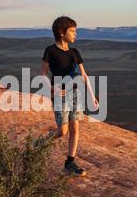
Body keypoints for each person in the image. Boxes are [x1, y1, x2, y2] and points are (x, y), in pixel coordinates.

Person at [40, 16, 99, 176]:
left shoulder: (74, 52)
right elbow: (43, 74)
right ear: (61, 32)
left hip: (75, 93)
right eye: (72, 31)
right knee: (62, 131)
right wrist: (52, 88)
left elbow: (84, 75)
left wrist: (92, 96)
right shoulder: (50, 51)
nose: (76, 34)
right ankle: (39, 144)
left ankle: (70, 162)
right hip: (60, 94)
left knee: (75, 128)